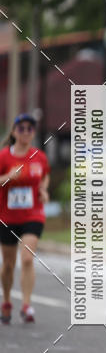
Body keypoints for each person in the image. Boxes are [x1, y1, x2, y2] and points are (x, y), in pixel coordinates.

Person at [0, 114, 50, 324]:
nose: (26, 132)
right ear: (14, 132)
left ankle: (27, 305)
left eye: (30, 128)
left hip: (33, 214)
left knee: (27, 258)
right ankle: (7, 300)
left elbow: (44, 176)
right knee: (8, 264)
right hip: (7, 217)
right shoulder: (4, 157)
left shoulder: (39, 157)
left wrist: (43, 190)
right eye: (21, 128)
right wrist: (7, 177)